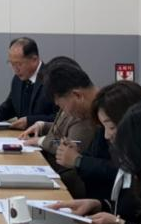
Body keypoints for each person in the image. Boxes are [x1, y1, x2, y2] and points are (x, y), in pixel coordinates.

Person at [49, 81, 141, 224]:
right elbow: (130, 208)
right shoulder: (131, 159)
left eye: (111, 127)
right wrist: (99, 205)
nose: (106, 135)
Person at [19, 56, 96, 198]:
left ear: (77, 95)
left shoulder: (84, 113)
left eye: (59, 102)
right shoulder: (74, 102)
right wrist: (43, 126)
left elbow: (68, 145)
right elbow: (62, 128)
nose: (58, 106)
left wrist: (41, 140)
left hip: (73, 186)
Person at [44, 63, 117, 199]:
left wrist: (78, 160)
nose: (66, 113)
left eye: (63, 107)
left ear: (77, 95)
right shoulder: (96, 113)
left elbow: (123, 171)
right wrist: (77, 154)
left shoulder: (112, 111)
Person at [0, 37, 57, 130]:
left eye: (19, 64)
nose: (15, 69)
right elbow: (11, 106)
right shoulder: (18, 79)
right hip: (20, 136)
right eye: (11, 64)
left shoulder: (52, 79)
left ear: (34, 60)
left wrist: (30, 121)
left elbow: (60, 119)